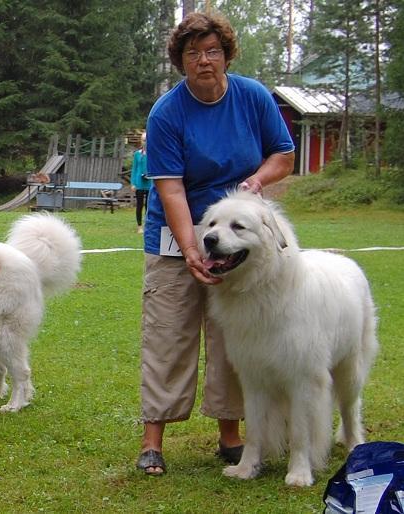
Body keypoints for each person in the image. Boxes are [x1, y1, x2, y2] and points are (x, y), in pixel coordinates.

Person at [136, 12, 295, 476]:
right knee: (169, 333)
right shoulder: (167, 113)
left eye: (212, 51)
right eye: (192, 53)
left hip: (241, 238)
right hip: (176, 234)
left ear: (226, 55)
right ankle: (152, 442)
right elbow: (170, 190)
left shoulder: (254, 97)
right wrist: (191, 249)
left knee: (234, 337)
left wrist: (256, 181)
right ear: (180, 62)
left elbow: (283, 155)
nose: (203, 61)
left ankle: (230, 436)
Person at [130, 132, 150, 234]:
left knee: (149, 206)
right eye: (143, 140)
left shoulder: (153, 154)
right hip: (139, 183)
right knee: (139, 205)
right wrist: (133, 183)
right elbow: (134, 169)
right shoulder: (137, 154)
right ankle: (139, 226)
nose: (144, 142)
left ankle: (148, 225)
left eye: (146, 140)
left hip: (149, 183)